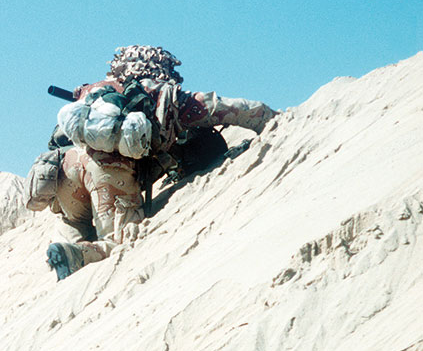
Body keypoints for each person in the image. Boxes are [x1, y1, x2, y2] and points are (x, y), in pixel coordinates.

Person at [42, 45, 279, 280]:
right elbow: (229, 108)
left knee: (73, 219)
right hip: (107, 171)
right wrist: (273, 119)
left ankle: (66, 249)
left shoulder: (98, 93)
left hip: (65, 168)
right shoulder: (165, 96)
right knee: (118, 241)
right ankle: (80, 255)